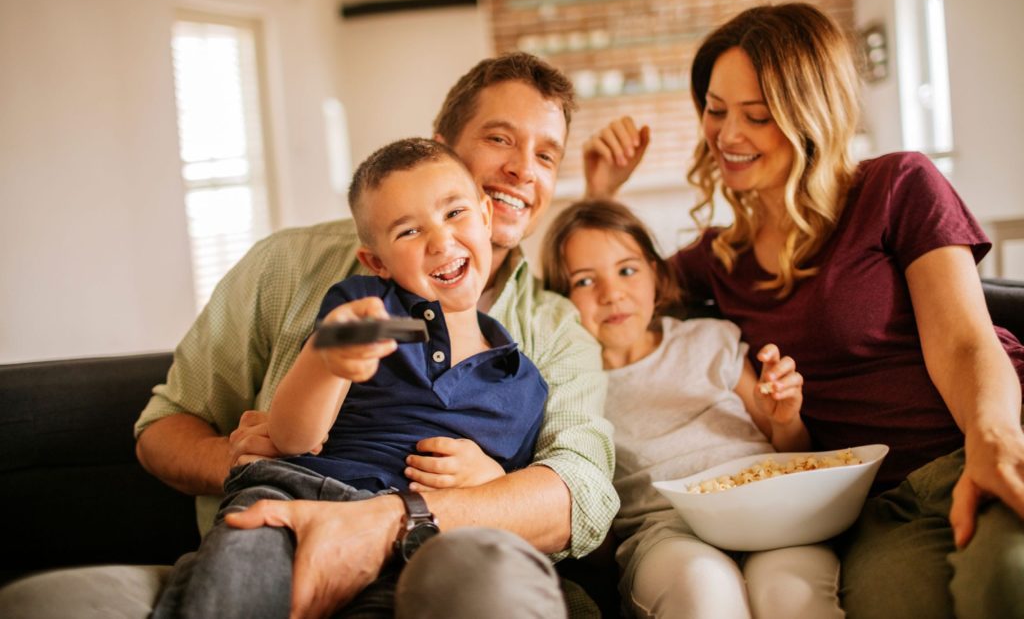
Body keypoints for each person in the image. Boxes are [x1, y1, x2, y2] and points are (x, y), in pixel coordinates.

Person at [0, 53, 617, 619]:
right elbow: (163, 430)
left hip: (447, 557)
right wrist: (244, 460)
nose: (520, 169)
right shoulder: (295, 269)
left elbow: (580, 490)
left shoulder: (553, 335)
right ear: (441, 147)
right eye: (499, 138)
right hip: (280, 519)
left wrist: (444, 504)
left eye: (545, 155)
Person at [582, 2, 1024, 618]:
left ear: (810, 116)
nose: (727, 136)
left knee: (1006, 580)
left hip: (984, 440)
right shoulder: (719, 258)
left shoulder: (897, 186)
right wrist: (600, 195)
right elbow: (604, 294)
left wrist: (994, 439)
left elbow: (965, 342)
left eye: (756, 116)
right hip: (877, 504)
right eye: (715, 110)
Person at [153, 138, 551, 617]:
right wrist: (326, 362)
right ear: (377, 262)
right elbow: (294, 438)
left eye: (454, 213)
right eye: (407, 232)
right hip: (293, 495)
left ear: (486, 217)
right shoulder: (368, 314)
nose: (440, 241)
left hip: (410, 535)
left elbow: (513, 499)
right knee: (236, 585)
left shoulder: (522, 382)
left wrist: (490, 480)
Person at [541, 198, 844, 619]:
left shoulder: (709, 339)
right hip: (666, 533)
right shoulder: (572, 387)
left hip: (769, 511)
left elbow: (792, 450)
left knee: (790, 595)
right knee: (704, 592)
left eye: (627, 270)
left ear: (656, 275)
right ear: (560, 299)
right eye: (585, 282)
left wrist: (785, 417)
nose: (613, 294)